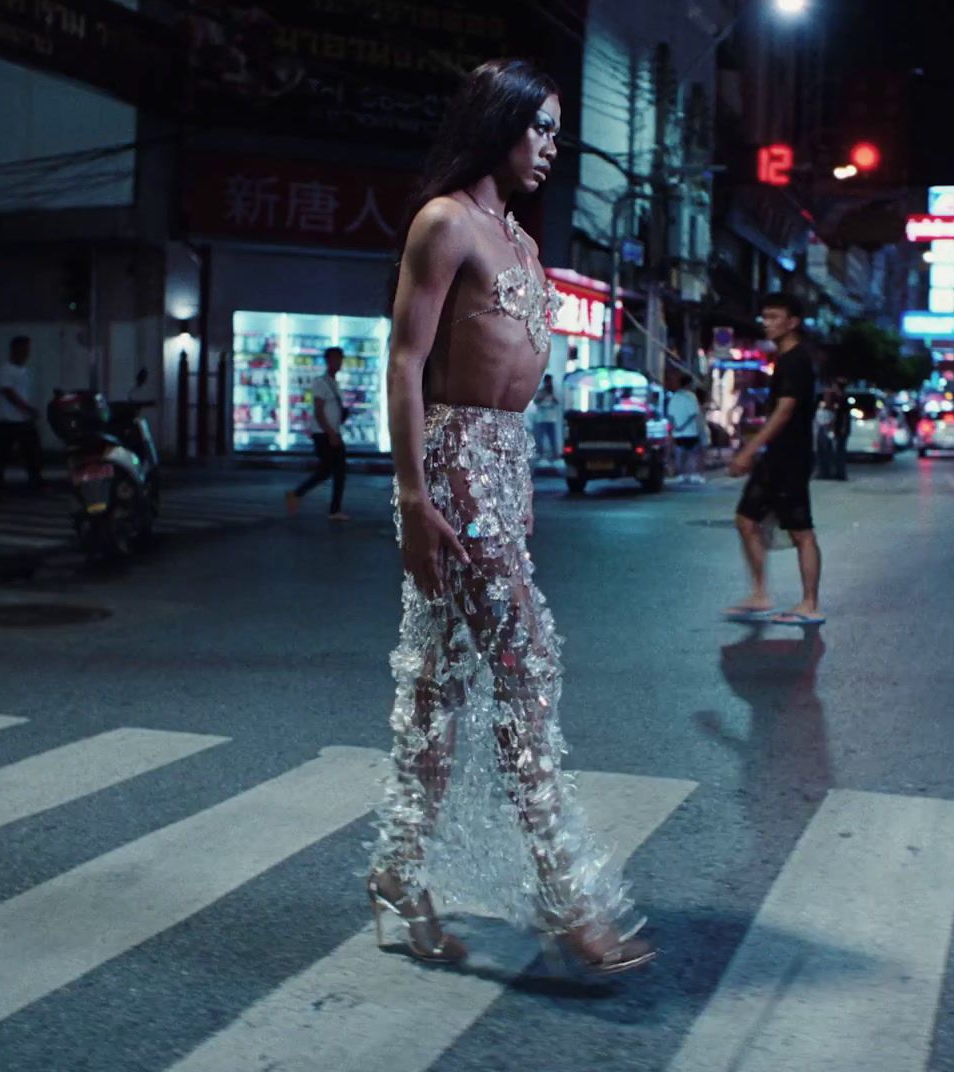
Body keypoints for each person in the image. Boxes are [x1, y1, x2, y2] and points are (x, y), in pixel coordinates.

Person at [366, 58, 653, 976]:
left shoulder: (521, 241)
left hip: (504, 467)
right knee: (527, 664)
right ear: (499, 124)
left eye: (559, 132)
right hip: (451, 467)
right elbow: (406, 361)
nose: (552, 148)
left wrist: (518, 485)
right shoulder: (446, 222)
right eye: (542, 129)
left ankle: (398, 874)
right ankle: (568, 900)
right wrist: (414, 495)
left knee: (438, 693)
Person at [725, 294, 824, 626]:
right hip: (775, 458)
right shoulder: (783, 360)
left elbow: (785, 412)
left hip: (791, 458)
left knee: (801, 532)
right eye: (764, 317)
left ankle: (809, 603)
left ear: (792, 322)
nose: (766, 323)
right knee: (746, 520)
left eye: (774, 317)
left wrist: (749, 452)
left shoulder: (796, 360)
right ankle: (760, 594)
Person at [285, 346, 350, 520]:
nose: (339, 363)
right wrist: (331, 433)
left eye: (340, 359)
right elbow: (319, 411)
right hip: (323, 433)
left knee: (338, 470)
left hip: (332, 432)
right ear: (328, 361)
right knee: (328, 470)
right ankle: (297, 494)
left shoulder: (334, 383)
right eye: (336, 359)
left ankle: (334, 510)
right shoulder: (320, 382)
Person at [0, 335, 45, 493]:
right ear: (15, 349)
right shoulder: (6, 369)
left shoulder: (25, 370)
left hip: (23, 420)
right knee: (1, 454)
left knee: (33, 452)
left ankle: (36, 481)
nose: (27, 352)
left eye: (28, 349)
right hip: (7, 419)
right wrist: (27, 408)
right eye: (24, 348)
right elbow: (8, 392)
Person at [668, 373, 704, 484]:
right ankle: (693, 474)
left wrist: (676, 426)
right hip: (691, 431)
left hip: (677, 432)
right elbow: (694, 414)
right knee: (693, 454)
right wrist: (687, 426)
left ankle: (681, 475)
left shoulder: (674, 396)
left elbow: (670, 415)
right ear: (689, 384)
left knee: (680, 454)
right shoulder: (691, 397)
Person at [531, 373, 561, 462]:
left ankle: (555, 454)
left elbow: (557, 402)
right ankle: (540, 454)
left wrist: (552, 395)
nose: (549, 384)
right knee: (540, 437)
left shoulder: (554, 391)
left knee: (552, 438)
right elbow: (536, 401)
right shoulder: (541, 391)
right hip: (542, 419)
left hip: (551, 419)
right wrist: (545, 393)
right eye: (548, 382)